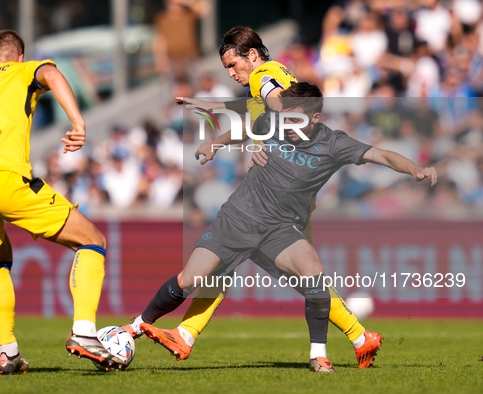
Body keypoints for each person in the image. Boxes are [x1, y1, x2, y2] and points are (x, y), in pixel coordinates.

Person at [124, 27, 381, 370]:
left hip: (278, 197)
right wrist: (209, 107)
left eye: (233, 64)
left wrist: (271, 130)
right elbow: (254, 107)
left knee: (282, 272)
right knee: (265, 270)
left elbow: (272, 101)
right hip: (285, 191)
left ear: (253, 56)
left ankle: (349, 340)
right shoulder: (274, 72)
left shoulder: (263, 76)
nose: (231, 73)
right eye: (226, 67)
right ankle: (357, 338)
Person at [0, 30, 125, 374]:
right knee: (92, 241)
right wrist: (78, 121)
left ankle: (8, 352)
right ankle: (84, 332)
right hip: (6, 180)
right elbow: (53, 74)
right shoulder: (24, 70)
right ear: (19, 56)